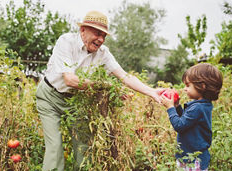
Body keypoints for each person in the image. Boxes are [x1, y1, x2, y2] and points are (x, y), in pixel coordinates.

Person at [35, 10, 162, 171]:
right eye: (97, 34)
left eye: (104, 36)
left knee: (83, 147)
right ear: (83, 30)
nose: (101, 39)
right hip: (49, 97)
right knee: (55, 146)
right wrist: (106, 85)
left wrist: (152, 91)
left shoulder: (103, 53)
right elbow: (70, 79)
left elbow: (124, 76)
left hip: (76, 102)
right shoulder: (66, 42)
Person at [160, 63, 223, 170]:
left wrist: (170, 108)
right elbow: (186, 121)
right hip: (194, 157)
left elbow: (179, 125)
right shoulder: (202, 105)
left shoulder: (198, 108)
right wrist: (177, 106)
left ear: (202, 86)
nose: (185, 89)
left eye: (188, 85)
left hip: (192, 161)